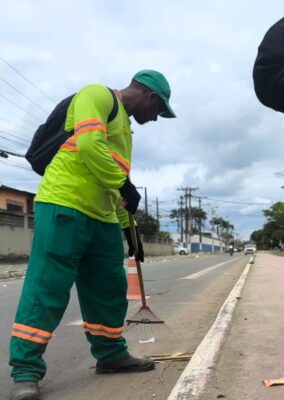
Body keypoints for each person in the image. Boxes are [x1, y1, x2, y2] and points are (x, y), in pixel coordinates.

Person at [9, 70, 176, 400]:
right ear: (151, 96)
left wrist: (127, 226)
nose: (156, 119)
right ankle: (26, 370)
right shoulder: (97, 95)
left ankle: (110, 355)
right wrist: (123, 184)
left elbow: (114, 183)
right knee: (47, 286)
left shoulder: (126, 131)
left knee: (109, 287)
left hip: (102, 216)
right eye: (159, 111)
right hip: (64, 204)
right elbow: (88, 145)